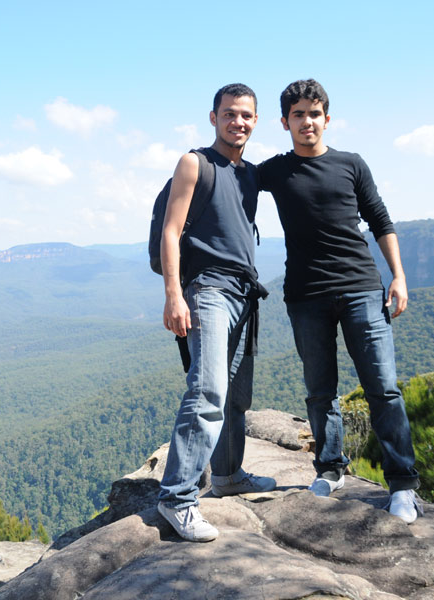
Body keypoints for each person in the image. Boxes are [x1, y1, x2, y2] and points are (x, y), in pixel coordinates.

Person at [258, 79, 422, 523]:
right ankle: (330, 469)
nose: (306, 121)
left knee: (382, 387)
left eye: (314, 114)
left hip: (361, 288)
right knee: (319, 390)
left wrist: (399, 277)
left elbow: (381, 221)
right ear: (285, 122)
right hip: (305, 295)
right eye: (298, 114)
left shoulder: (351, 164)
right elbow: (229, 185)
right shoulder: (274, 171)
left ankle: (403, 484)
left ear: (326, 119)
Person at [157, 83, 276, 542]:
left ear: (256, 121)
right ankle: (178, 496)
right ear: (213, 117)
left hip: (244, 295)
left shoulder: (249, 174)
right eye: (229, 114)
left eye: (246, 115)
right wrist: (174, 294)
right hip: (207, 292)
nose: (238, 122)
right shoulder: (195, 163)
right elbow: (171, 230)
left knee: (235, 397)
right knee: (207, 391)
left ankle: (227, 476)